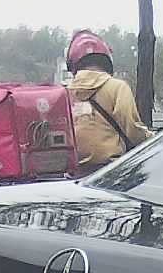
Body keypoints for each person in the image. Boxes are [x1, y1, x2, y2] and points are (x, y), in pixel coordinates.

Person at [65, 30, 152, 172]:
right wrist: (154, 139)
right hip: (111, 171)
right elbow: (132, 129)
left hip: (74, 173)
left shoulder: (65, 94)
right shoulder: (117, 87)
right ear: (106, 60)